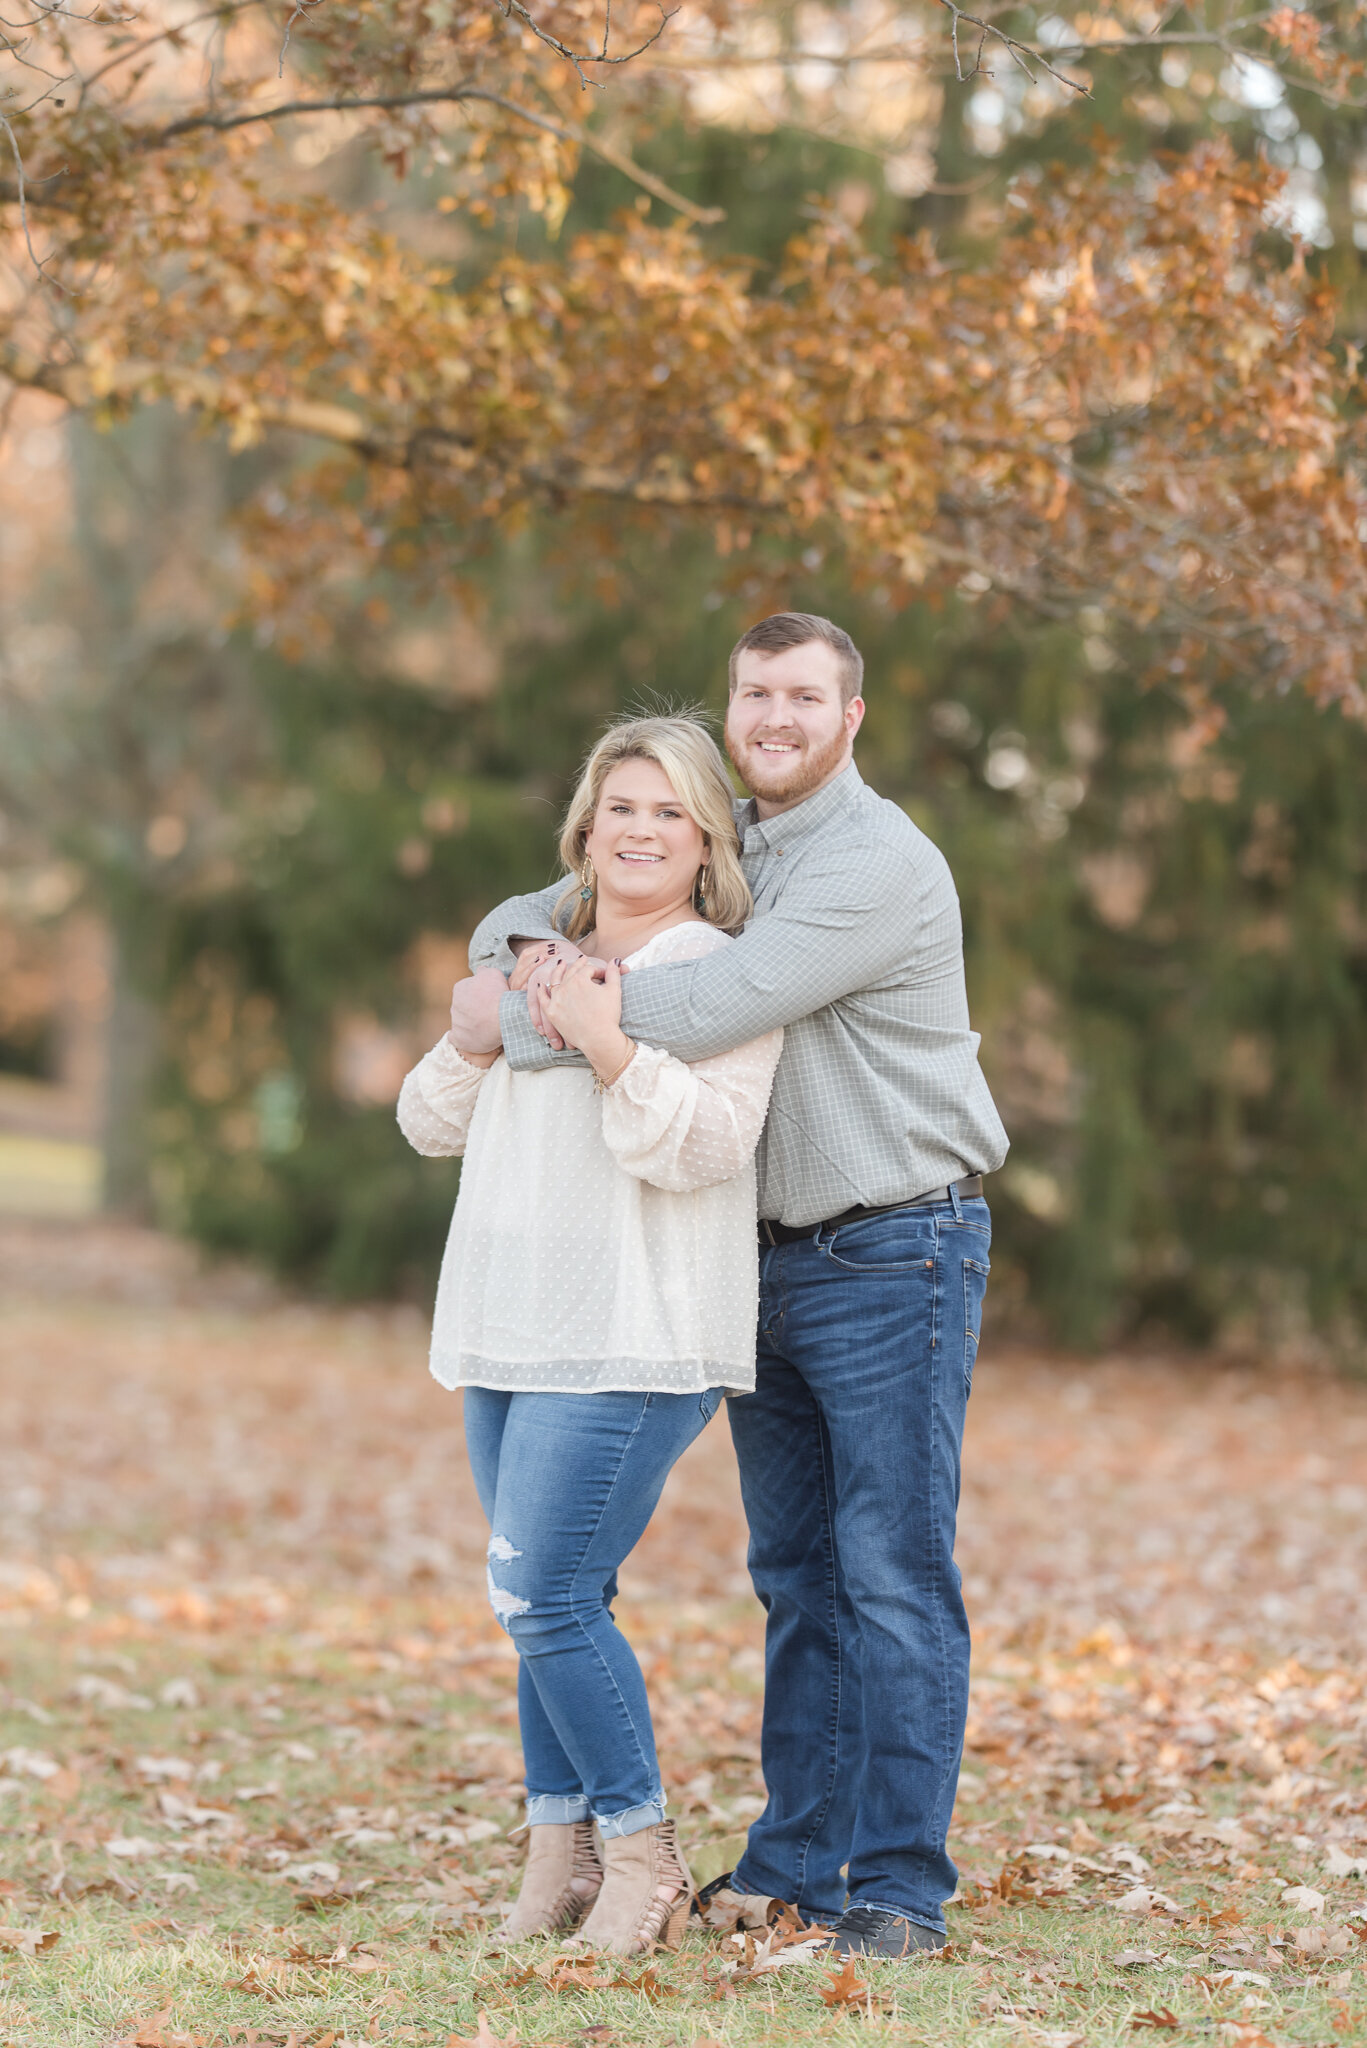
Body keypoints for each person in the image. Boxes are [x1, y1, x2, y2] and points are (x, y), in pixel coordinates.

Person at [452, 612, 1009, 1959]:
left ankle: (894, 1892)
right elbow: (538, 906)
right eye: (753, 692)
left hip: (891, 1247)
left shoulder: (875, 862)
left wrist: (517, 1013)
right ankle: (791, 1864)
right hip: (758, 1256)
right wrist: (501, 961)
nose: (772, 717)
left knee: (888, 1574)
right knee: (795, 1577)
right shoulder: (729, 834)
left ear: (850, 715)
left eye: (801, 697)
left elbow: (701, 1007)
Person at [397, 715, 782, 1957]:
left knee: (540, 1588)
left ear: (705, 838)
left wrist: (610, 1042)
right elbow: (425, 1122)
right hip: (510, 1321)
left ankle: (642, 1854)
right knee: (541, 1599)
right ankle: (557, 1855)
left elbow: (710, 1148)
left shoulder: (722, 972)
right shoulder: (528, 956)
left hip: (636, 1327)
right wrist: (469, 1035)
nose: (641, 830)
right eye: (621, 805)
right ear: (585, 824)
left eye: (670, 811)